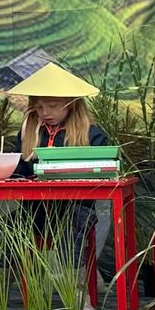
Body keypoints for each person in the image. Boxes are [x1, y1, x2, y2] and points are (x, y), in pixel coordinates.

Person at [7, 62, 109, 286]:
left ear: (72, 104)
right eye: (39, 107)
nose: (45, 113)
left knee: (71, 232)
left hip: (77, 209)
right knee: (4, 228)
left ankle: (79, 292)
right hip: (36, 211)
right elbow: (17, 172)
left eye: (53, 106)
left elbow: (102, 174)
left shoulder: (93, 135)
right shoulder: (28, 134)